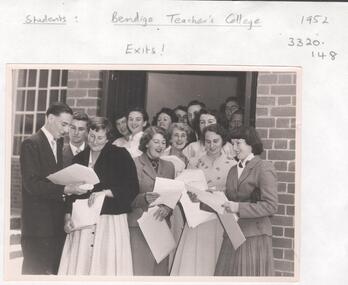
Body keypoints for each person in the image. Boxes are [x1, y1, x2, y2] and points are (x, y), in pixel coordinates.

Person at [58, 117, 139, 275]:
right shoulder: (79, 158)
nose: (94, 141)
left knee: (105, 267)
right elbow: (70, 195)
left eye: (100, 138)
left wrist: (106, 192)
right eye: (92, 136)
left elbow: (132, 186)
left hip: (109, 221)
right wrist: (68, 217)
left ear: (108, 138)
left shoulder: (120, 155)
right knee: (81, 266)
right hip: (82, 221)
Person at [20, 102, 89, 275]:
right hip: (37, 227)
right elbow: (31, 185)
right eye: (64, 124)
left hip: (55, 225)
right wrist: (66, 188)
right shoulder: (30, 143)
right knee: (35, 274)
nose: (67, 130)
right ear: (50, 118)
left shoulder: (57, 144)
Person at [171, 124, 236, 276]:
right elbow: (184, 185)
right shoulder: (195, 162)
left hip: (217, 218)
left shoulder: (232, 165)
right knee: (194, 261)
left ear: (223, 141)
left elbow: (233, 194)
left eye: (215, 141)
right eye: (208, 141)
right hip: (197, 216)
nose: (211, 145)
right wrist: (189, 194)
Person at [215, 126, 278, 276]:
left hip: (254, 236)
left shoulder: (263, 167)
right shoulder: (232, 170)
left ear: (251, 144)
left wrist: (238, 207)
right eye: (232, 143)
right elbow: (229, 201)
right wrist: (204, 198)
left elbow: (271, 206)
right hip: (232, 234)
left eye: (239, 143)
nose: (234, 148)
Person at [128, 127, 175, 275]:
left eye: (163, 142)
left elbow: (173, 195)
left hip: (161, 226)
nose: (160, 146)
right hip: (140, 226)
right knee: (141, 273)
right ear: (147, 143)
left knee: (159, 274)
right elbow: (125, 197)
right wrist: (143, 198)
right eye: (156, 141)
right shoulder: (133, 164)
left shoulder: (169, 166)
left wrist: (168, 208)